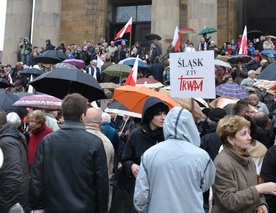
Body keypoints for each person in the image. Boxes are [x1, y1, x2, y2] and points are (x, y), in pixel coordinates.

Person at [29, 93, 109, 212]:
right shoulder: (95, 143)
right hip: (85, 208)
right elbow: (101, 183)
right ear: (83, 116)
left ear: (63, 115)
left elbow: (37, 179)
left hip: (54, 206)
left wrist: (38, 206)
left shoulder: (48, 141)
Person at [134, 107, 216, 213]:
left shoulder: (150, 154)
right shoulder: (202, 156)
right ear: (191, 126)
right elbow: (206, 183)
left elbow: (141, 194)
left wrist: (146, 210)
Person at [109, 97, 169, 213]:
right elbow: (125, 159)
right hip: (136, 188)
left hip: (160, 188)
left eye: (165, 113)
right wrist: (132, 166)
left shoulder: (168, 135)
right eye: (158, 114)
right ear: (149, 115)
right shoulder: (136, 135)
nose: (163, 118)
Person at [211, 115, 276, 213]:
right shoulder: (222, 163)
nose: (249, 137)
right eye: (243, 134)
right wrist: (258, 190)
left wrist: (261, 204)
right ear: (231, 139)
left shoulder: (246, 156)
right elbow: (228, 201)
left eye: (249, 133)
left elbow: (256, 184)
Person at [84, 107, 114, 211]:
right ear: (100, 121)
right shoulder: (107, 143)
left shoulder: (75, 139)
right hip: (98, 198)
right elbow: (108, 174)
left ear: (83, 119)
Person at [0, 109, 29, 212]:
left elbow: (12, 178)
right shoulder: (9, 137)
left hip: (12, 204)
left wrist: (3, 205)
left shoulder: (7, 141)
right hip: (15, 201)